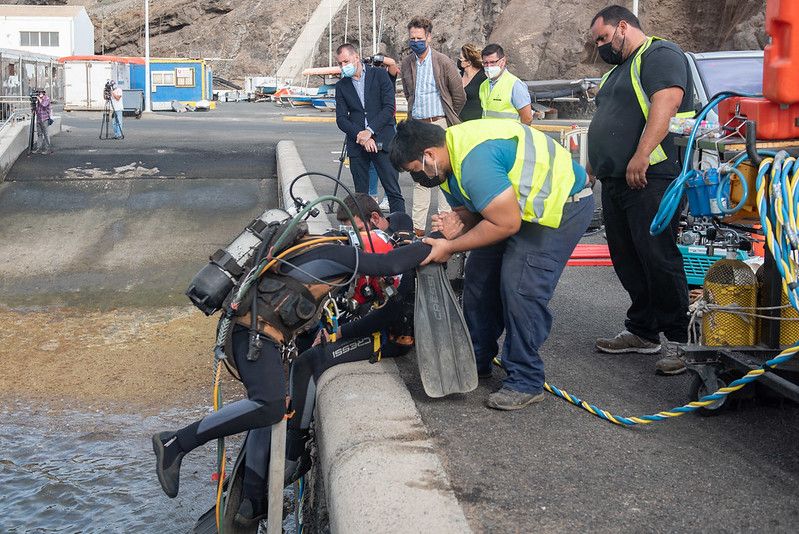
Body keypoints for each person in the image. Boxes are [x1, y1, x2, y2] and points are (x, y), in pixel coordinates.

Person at [152, 215, 431, 525]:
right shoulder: (338, 255)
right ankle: (175, 443)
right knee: (269, 405)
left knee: (272, 407)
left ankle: (252, 502)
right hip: (254, 337)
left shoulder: (317, 248)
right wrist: (432, 246)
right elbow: (389, 265)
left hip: (257, 334)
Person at [389, 119, 594, 410]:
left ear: (429, 155)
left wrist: (451, 245)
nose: (417, 178)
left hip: (560, 207)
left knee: (520, 285)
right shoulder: (447, 168)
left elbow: (505, 223)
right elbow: (477, 211)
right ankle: (477, 356)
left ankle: (525, 379)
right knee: (479, 275)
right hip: (514, 212)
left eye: (415, 170)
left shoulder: (474, 162)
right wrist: (457, 223)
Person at [587, 5, 694, 375]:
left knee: (657, 255)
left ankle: (682, 340)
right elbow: (604, 121)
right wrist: (592, 167)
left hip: (650, 176)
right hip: (616, 179)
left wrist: (642, 155)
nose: (600, 46)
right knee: (627, 256)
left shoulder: (660, 54)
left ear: (622, 27)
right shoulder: (616, 72)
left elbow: (666, 103)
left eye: (602, 38)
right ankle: (644, 331)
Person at [285, 194, 419, 476]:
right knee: (307, 339)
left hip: (391, 336)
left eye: (354, 230)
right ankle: (292, 409)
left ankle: (294, 452)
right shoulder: (385, 234)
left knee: (307, 363)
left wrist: (340, 333)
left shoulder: (381, 247)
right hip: (372, 316)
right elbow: (398, 218)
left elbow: (391, 312)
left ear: (371, 222)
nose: (351, 237)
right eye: (347, 231)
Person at [400, 16, 466, 236]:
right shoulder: (407, 63)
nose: (415, 41)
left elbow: (458, 95)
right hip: (418, 126)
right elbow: (410, 93)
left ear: (429, 37)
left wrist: (447, 117)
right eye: (412, 38)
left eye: (419, 38)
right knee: (420, 177)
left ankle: (442, 226)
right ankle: (417, 228)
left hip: (439, 124)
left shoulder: (442, 62)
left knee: (443, 175)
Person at [335, 44, 405, 214]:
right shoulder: (342, 86)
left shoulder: (380, 75)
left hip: (383, 139)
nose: (344, 66)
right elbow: (341, 119)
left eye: (346, 61)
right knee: (361, 195)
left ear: (356, 57)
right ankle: (365, 233)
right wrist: (360, 134)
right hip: (357, 143)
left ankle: (401, 230)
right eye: (340, 64)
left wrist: (370, 131)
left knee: (392, 190)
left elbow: (388, 108)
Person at [479, 44, 533, 124]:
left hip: (510, 136)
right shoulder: (483, 85)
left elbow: (527, 118)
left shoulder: (515, 85)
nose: (489, 66)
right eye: (485, 63)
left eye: (492, 62)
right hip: (489, 135)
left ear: (503, 61)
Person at [458, 43, 487, 122]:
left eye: (461, 58)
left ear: (468, 62)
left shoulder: (483, 77)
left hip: (476, 122)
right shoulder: (458, 76)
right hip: (457, 121)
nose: (459, 60)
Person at [33, 89, 53, 154]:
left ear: (43, 93)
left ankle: (48, 149)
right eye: (38, 93)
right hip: (39, 119)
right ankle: (38, 148)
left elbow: (44, 105)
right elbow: (37, 109)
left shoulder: (46, 98)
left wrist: (39, 99)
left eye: (40, 92)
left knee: (46, 134)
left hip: (45, 119)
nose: (39, 94)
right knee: (39, 134)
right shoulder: (38, 100)